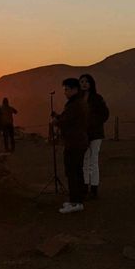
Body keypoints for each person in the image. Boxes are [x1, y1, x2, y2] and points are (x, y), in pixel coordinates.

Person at [51, 78, 89, 214]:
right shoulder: (78, 102)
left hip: (74, 142)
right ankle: (77, 199)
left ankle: (76, 202)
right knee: (76, 171)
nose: (65, 92)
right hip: (78, 141)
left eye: (66, 89)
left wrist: (56, 121)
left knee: (72, 172)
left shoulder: (75, 104)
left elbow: (66, 121)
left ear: (74, 89)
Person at [78, 74, 110, 198]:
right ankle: (85, 186)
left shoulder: (97, 98)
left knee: (93, 160)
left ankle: (94, 188)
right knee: (85, 160)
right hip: (83, 133)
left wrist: (94, 122)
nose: (84, 84)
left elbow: (105, 114)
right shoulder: (78, 99)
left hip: (95, 133)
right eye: (82, 82)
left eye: (86, 81)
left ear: (91, 83)